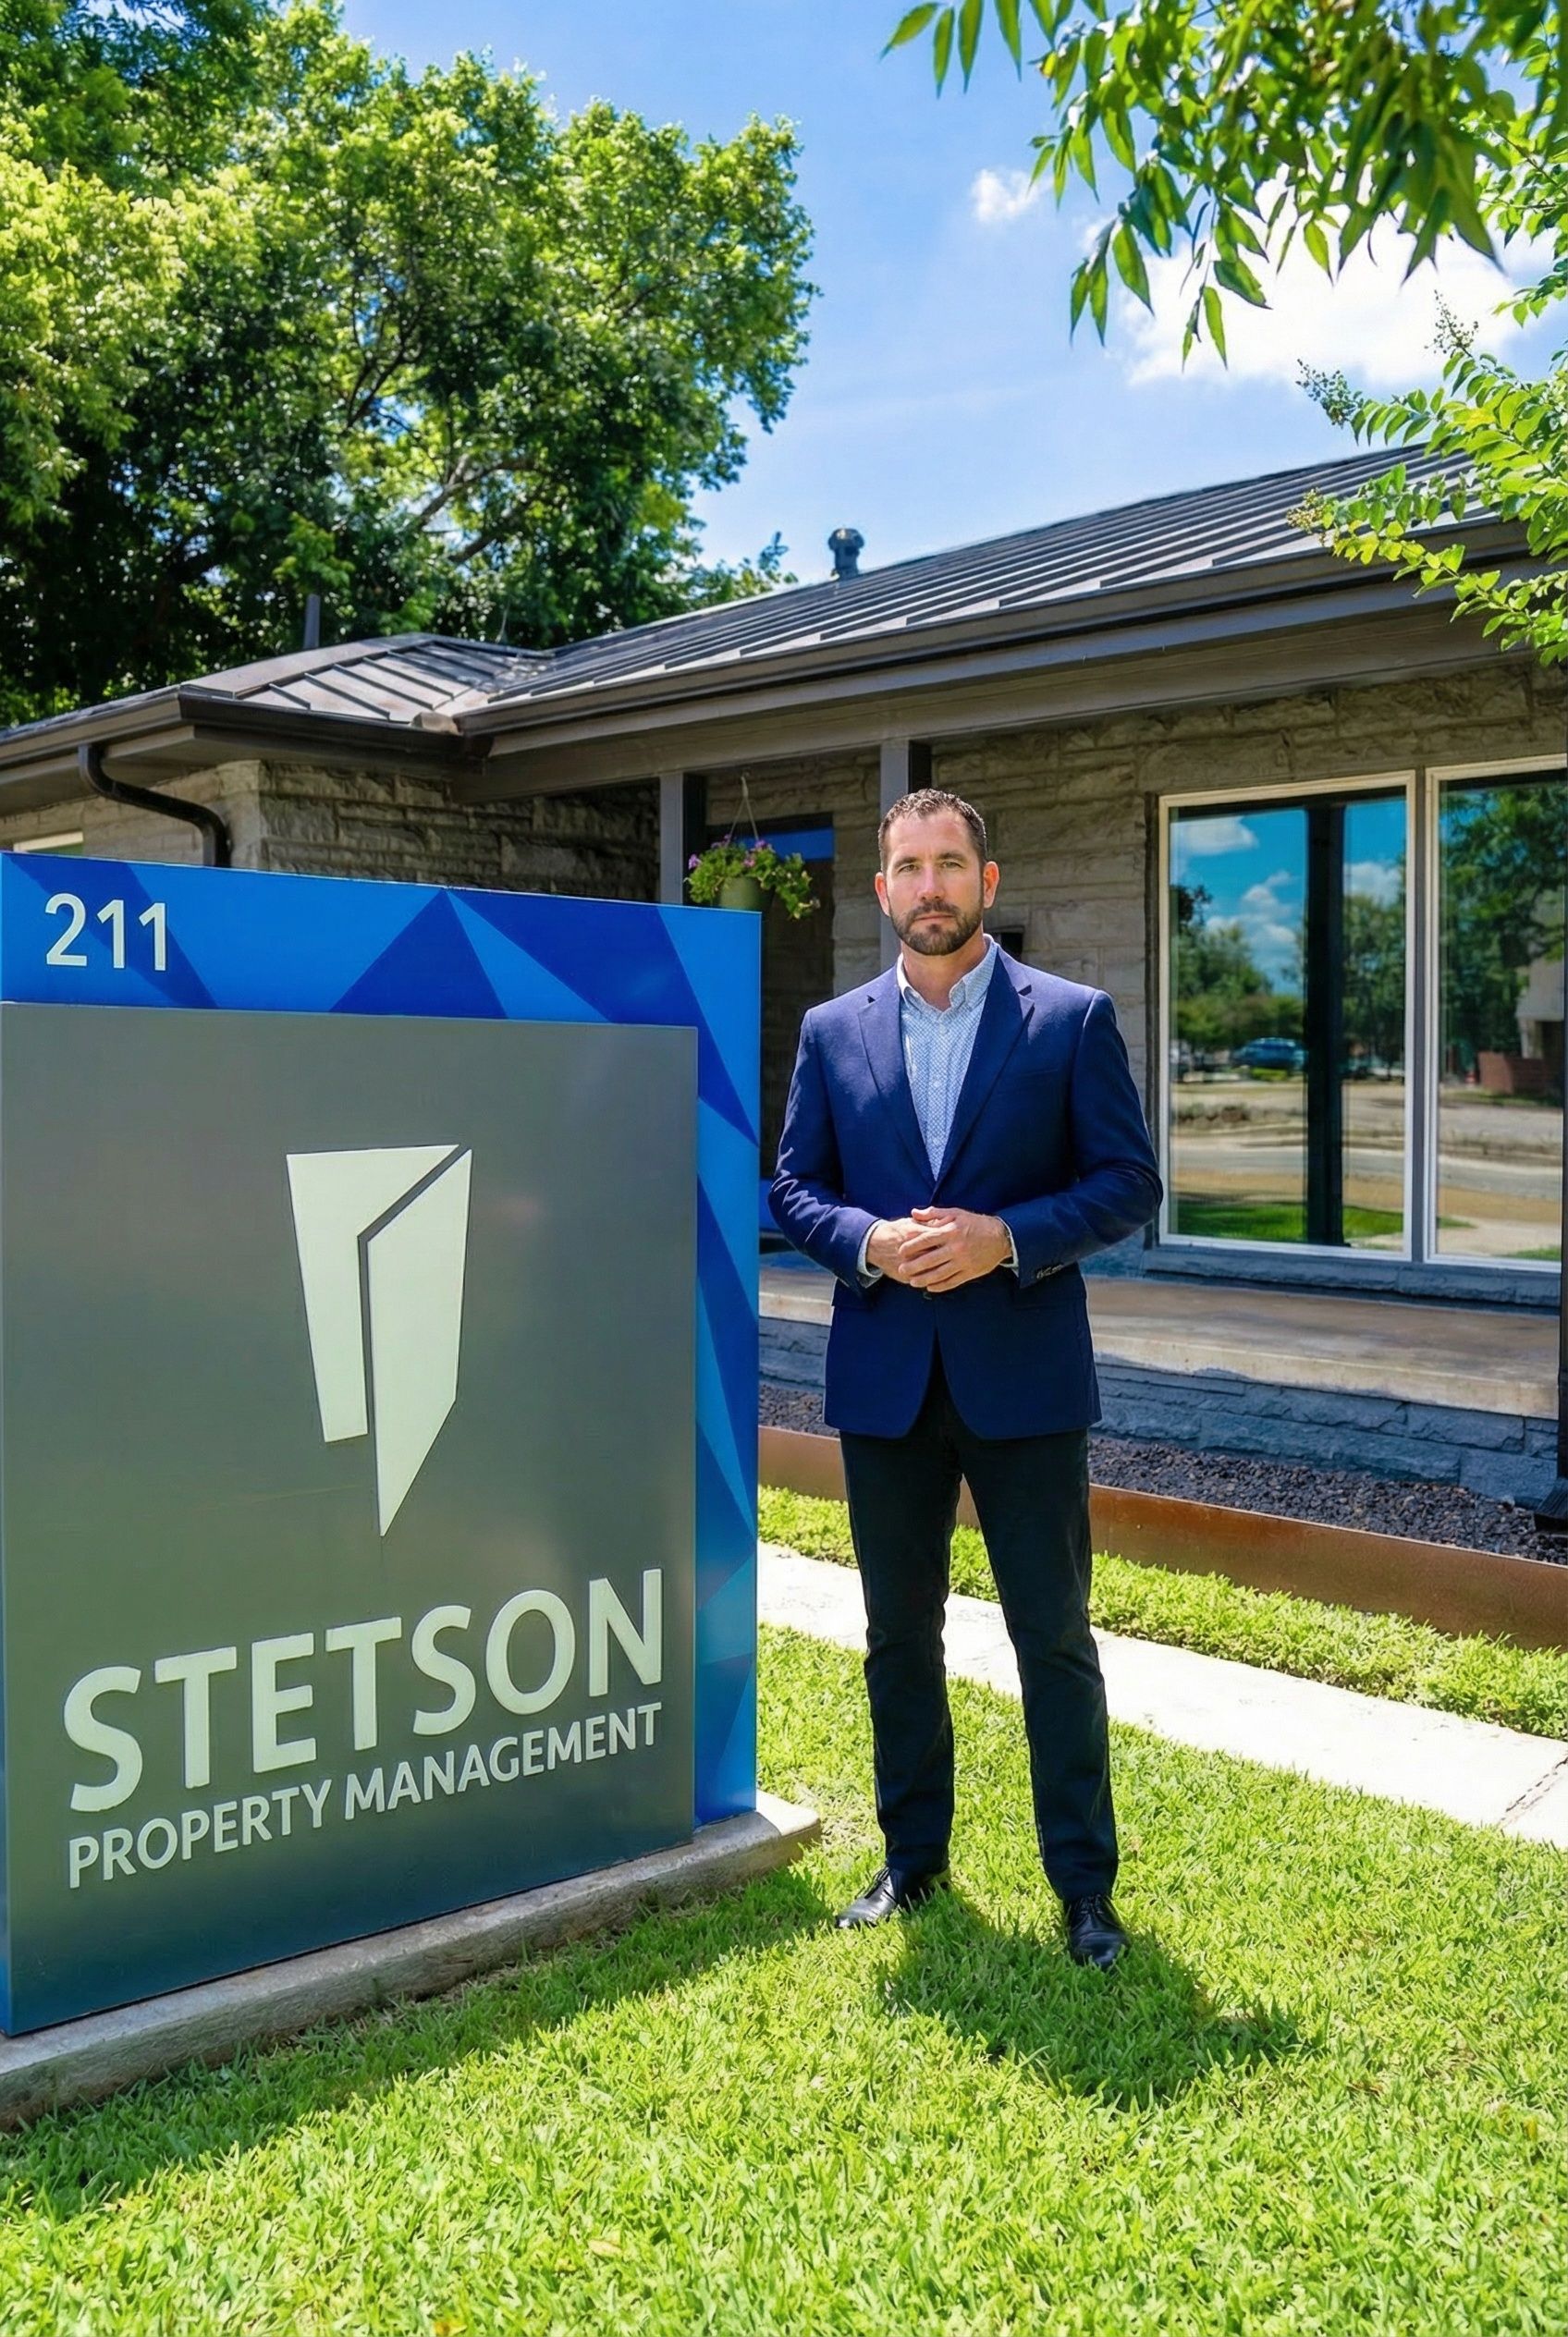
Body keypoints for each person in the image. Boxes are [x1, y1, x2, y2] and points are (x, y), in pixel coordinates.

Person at [769, 789, 1162, 1967]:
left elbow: (1126, 1181)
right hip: (885, 1372)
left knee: (1052, 1634)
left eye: (950, 864)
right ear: (881, 888)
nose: (928, 885)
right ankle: (911, 1859)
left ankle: (1084, 1889)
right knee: (899, 1632)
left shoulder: (1071, 1019)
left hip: (1024, 1373)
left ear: (987, 882)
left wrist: (1006, 1236)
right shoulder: (831, 1031)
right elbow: (790, 1188)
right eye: (907, 866)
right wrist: (867, 1242)